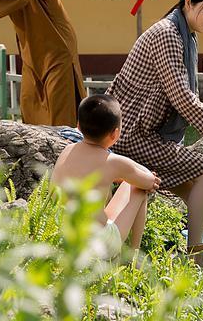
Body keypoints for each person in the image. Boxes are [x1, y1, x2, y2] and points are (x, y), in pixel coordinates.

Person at [105, 0, 203, 265]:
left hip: (146, 131)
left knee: (199, 195)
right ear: (188, 3)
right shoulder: (168, 34)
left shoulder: (186, 35)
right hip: (133, 132)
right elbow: (182, 96)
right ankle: (195, 260)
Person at [52, 94, 161, 257]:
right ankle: (134, 258)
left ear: (79, 126)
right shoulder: (113, 162)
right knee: (137, 188)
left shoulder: (67, 150)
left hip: (62, 233)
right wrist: (146, 175)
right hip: (98, 244)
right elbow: (149, 182)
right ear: (115, 133)